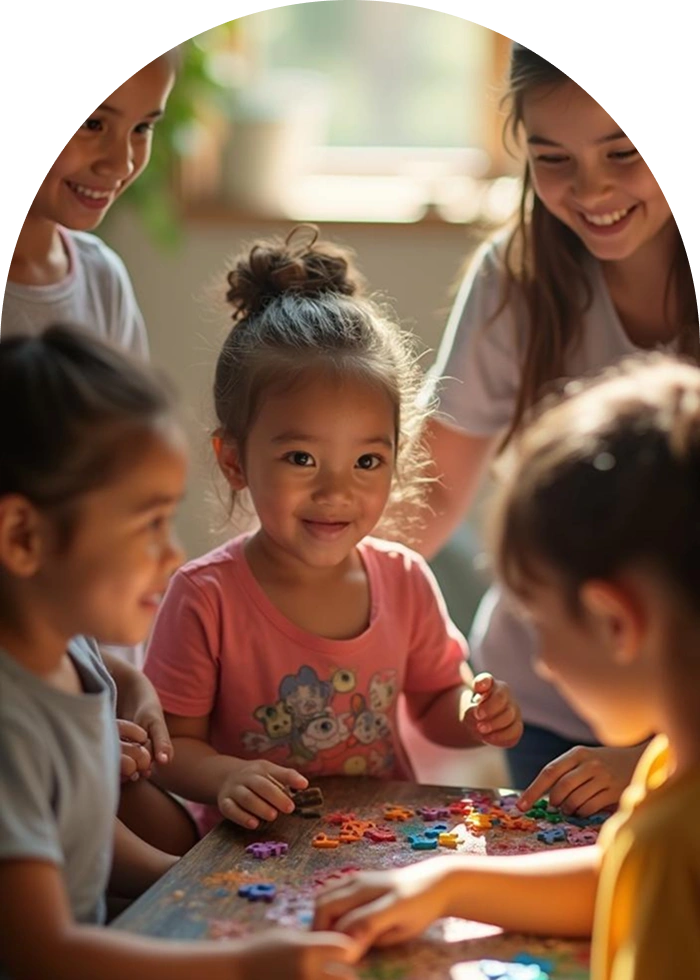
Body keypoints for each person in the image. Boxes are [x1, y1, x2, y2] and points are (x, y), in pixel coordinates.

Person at [314, 352, 700, 980]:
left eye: (539, 624)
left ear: (613, 623)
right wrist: (449, 881)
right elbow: (618, 873)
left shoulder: (680, 830)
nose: (542, 664)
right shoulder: (671, 765)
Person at [0, 325, 359, 980]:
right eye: (147, 523)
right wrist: (241, 965)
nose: (172, 553)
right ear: (23, 536)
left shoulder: (66, 657)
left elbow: (73, 834)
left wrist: (205, 879)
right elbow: (41, 949)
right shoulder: (9, 726)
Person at [143, 226, 523, 839]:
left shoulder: (403, 579)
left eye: (367, 462)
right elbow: (174, 746)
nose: (336, 492)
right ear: (234, 460)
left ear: (397, 459)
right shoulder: (204, 596)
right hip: (247, 851)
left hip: (378, 842)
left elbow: (433, 702)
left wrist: (475, 714)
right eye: (301, 459)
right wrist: (223, 777)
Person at [410, 43, 698, 813]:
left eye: (623, 152)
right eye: (552, 157)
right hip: (545, 698)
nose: (591, 188)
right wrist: (285, 601)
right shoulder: (516, 278)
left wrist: (646, 750)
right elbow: (424, 500)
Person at [1, 50, 177, 671]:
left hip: (96, 676)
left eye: (143, 128)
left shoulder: (101, 279)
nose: (121, 159)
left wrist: (122, 680)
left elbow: (125, 488)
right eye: (93, 123)